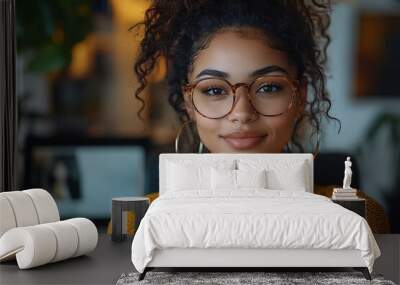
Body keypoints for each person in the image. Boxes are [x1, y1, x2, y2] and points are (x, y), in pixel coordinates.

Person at [132, 0, 340, 155]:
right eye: (214, 90)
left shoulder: (352, 212)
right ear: (189, 103)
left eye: (268, 88)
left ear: (301, 96)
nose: (241, 113)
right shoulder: (149, 213)